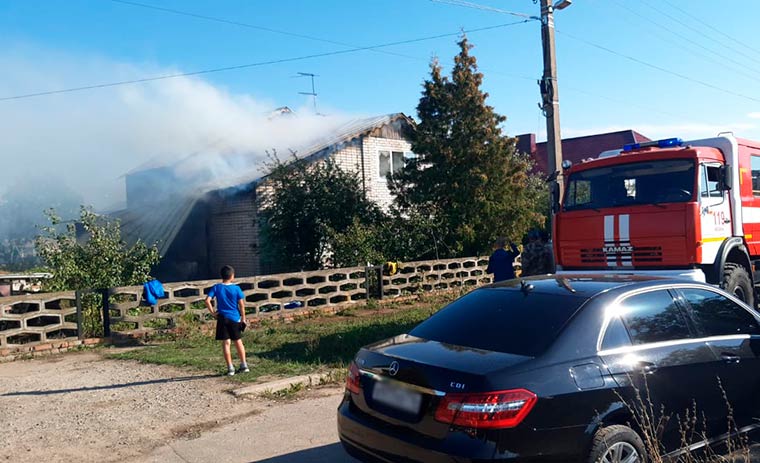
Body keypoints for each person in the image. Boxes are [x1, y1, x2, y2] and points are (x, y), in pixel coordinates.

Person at [205, 265, 249, 376]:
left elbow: (207, 300)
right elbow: (242, 305)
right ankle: (244, 365)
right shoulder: (236, 288)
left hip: (222, 318)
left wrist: (213, 313)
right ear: (232, 276)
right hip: (235, 318)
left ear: (222, 276)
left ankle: (230, 368)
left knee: (226, 343)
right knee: (238, 341)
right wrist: (243, 318)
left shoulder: (217, 287)